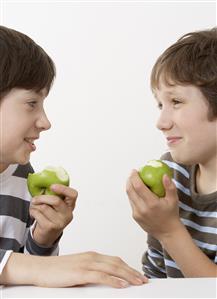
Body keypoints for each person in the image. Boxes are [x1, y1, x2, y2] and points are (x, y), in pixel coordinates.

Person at [0, 25, 148, 288]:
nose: (45, 122)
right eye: (32, 103)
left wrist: (43, 238)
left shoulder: (23, 175)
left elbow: (23, 284)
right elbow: (27, 270)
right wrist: (33, 268)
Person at [126, 27, 217, 278]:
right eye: (159, 104)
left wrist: (169, 230)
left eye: (176, 102)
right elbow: (156, 278)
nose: (161, 122)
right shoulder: (173, 175)